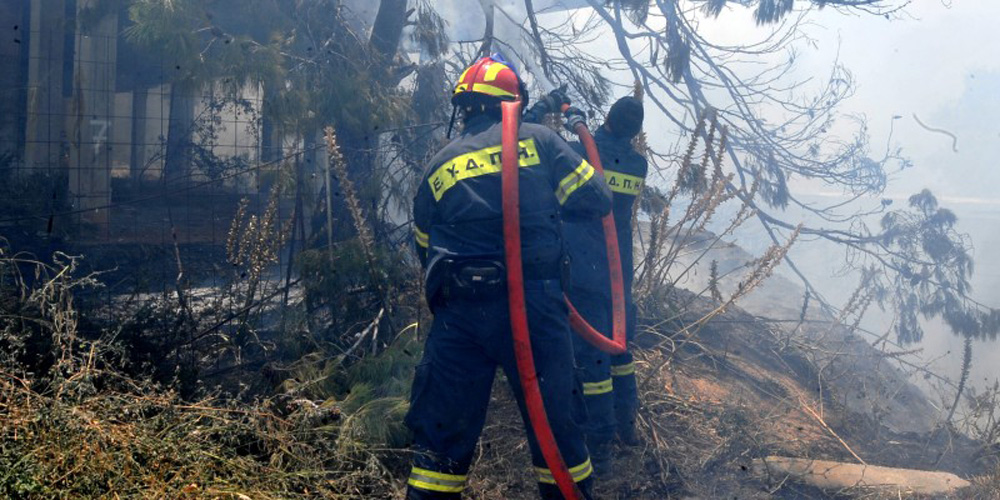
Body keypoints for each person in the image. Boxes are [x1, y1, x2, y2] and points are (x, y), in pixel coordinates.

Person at [405, 54, 612, 500]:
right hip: (533, 308)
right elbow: (596, 199)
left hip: (459, 318)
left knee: (439, 448)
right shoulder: (540, 140)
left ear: (463, 108)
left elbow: (424, 248)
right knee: (557, 431)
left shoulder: (437, 165)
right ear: (514, 101)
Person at [532, 95, 647, 474]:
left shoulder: (580, 151)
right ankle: (627, 425)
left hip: (584, 269)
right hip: (619, 273)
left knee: (593, 360)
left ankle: (601, 445)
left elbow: (537, 143)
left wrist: (567, 118)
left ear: (608, 119)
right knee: (621, 349)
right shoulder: (637, 163)